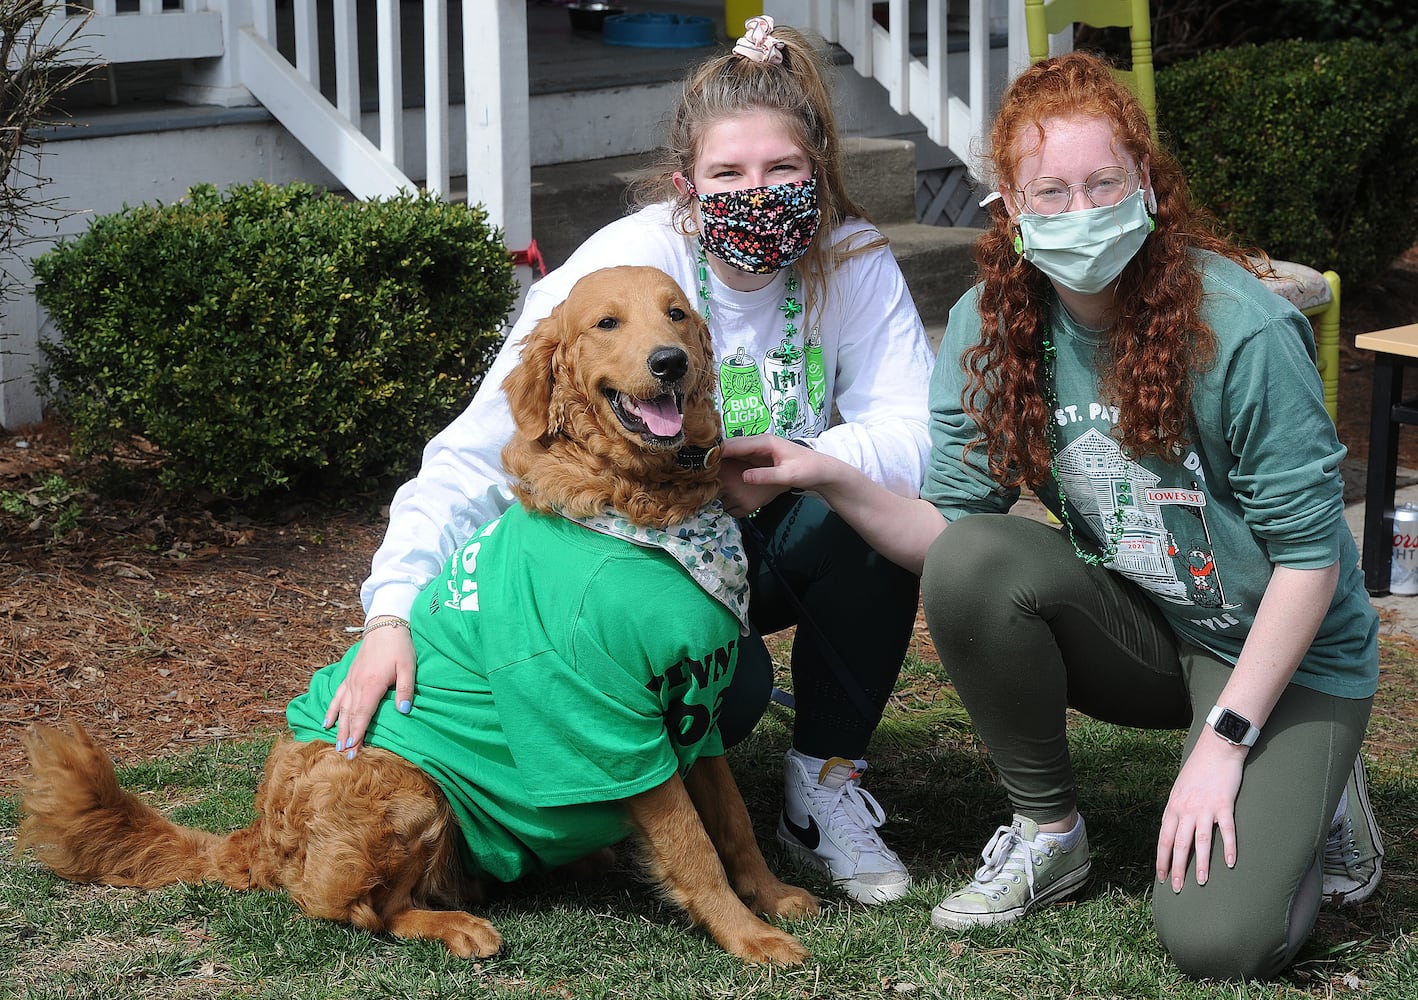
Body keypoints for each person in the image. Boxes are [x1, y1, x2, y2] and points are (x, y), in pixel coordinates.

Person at [723, 51, 1383, 979]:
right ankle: (1050, 830)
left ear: (1146, 187)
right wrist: (825, 473)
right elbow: (946, 539)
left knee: (1219, 941)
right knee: (974, 557)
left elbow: (1314, 562)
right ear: (1011, 211)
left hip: (1289, 647)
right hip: (1154, 629)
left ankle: (1315, 797)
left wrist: (1227, 743)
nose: (1080, 214)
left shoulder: (1243, 331)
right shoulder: (992, 330)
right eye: (1049, 193)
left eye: (1102, 184)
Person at [320, 17, 934, 906]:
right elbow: (480, 450)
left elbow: (913, 434)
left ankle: (823, 785)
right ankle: (639, 796)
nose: (755, 193)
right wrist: (391, 615)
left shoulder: (854, 257)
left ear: (820, 172)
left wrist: (798, 460)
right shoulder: (624, 268)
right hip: (642, 552)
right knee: (732, 692)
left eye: (782, 171)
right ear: (689, 186)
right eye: (728, 175)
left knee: (867, 509)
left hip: (764, 525)